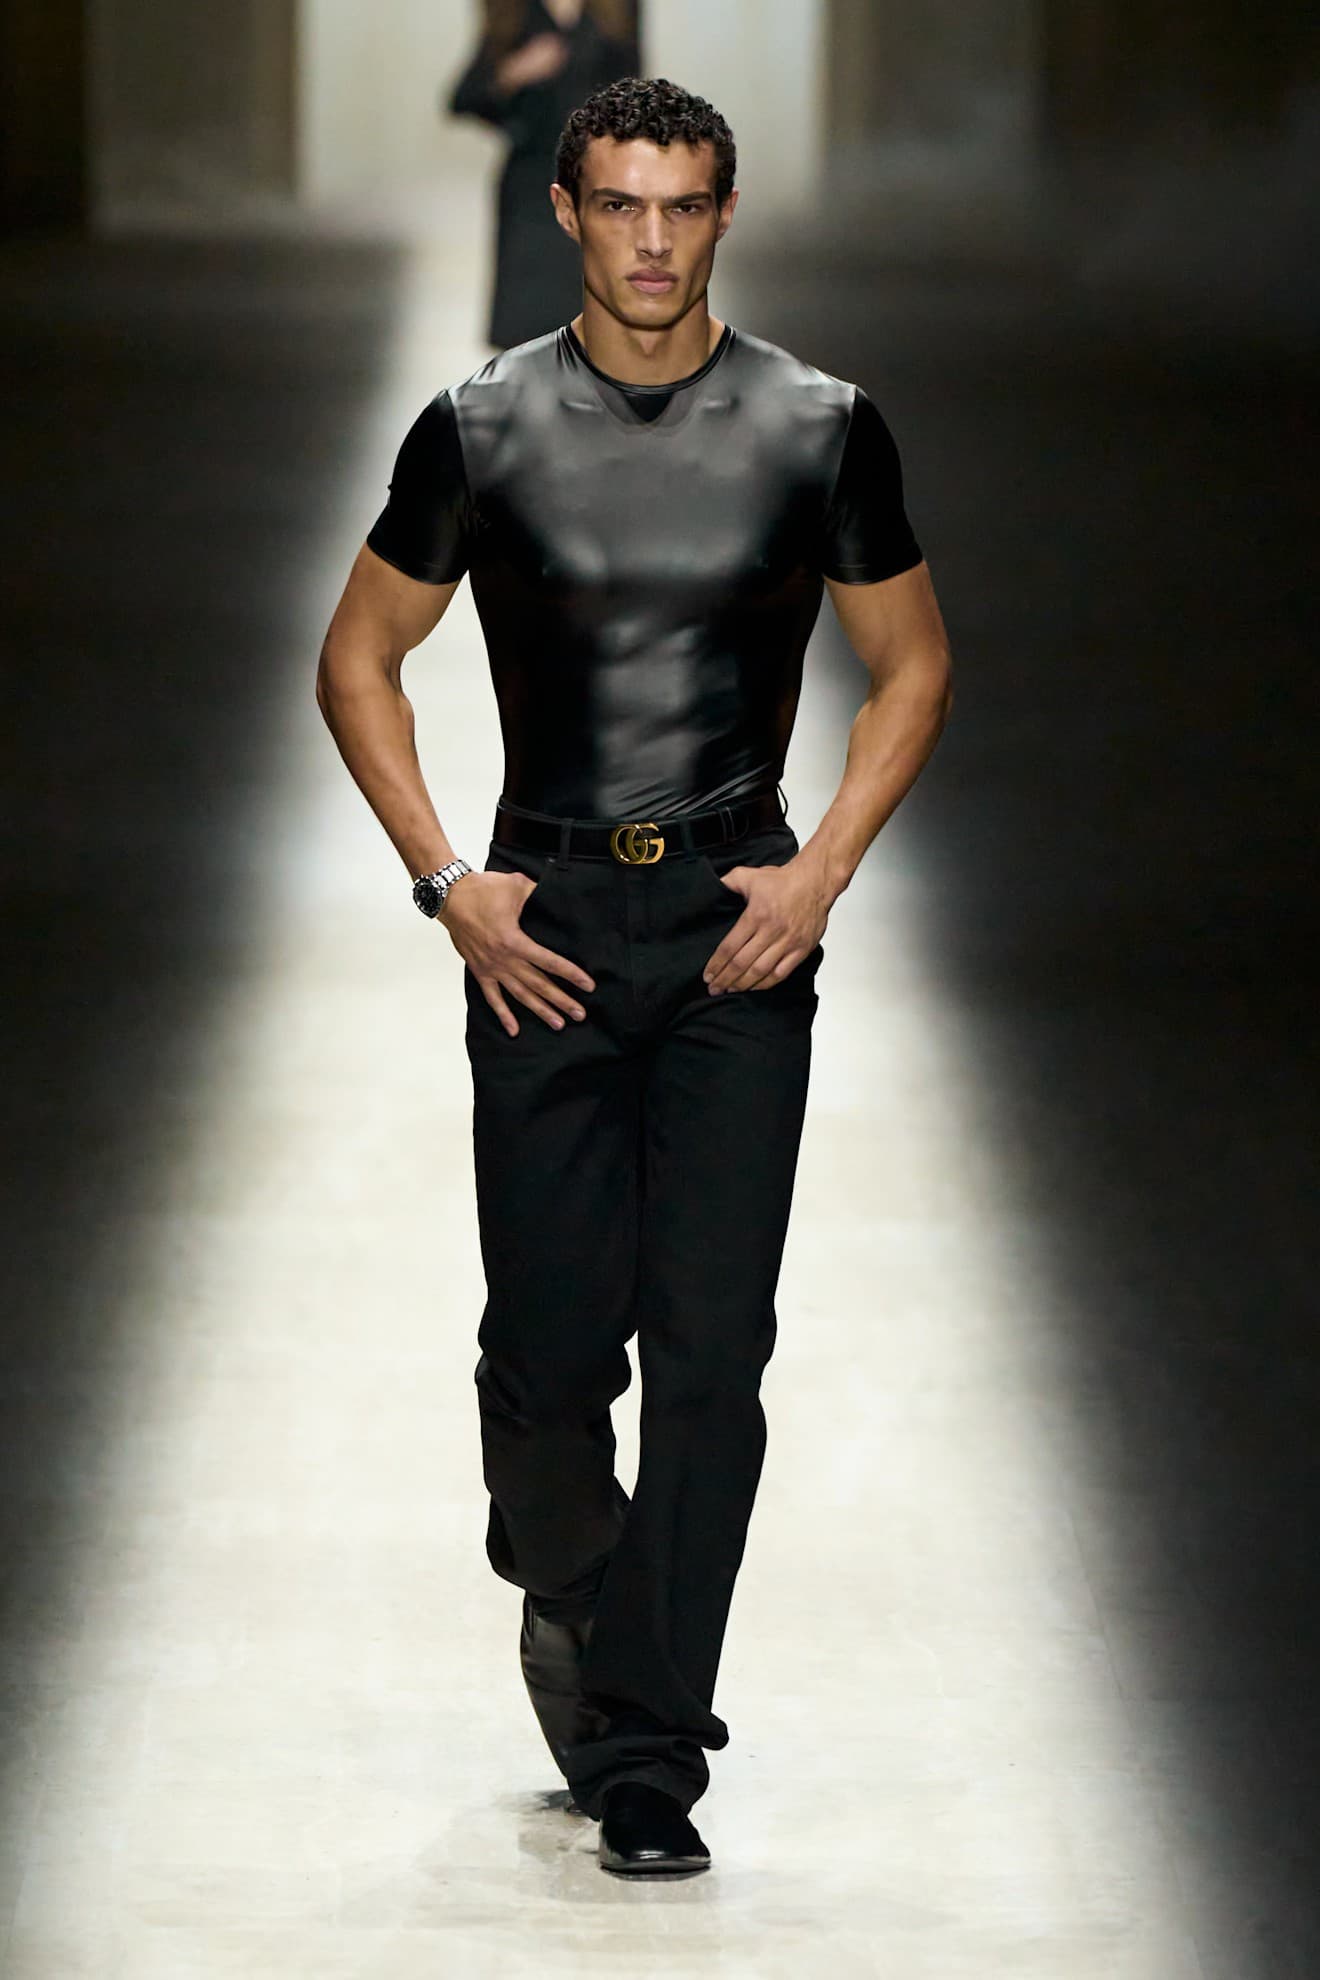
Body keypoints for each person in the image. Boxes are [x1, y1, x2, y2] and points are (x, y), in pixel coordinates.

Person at [317, 76, 952, 1877]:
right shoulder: (482, 426)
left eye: (683, 207)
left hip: (741, 926)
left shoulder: (822, 426)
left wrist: (820, 874)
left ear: (725, 213)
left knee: (713, 1353)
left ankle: (649, 1750)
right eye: (620, 205)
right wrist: (449, 884)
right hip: (547, 934)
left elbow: (911, 664)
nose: (653, 242)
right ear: (569, 213)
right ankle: (567, 1569)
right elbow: (358, 656)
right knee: (544, 1362)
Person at [448, 0, 640, 348]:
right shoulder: (510, 10)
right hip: (530, 185)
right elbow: (464, 98)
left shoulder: (617, 8)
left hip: (597, 185)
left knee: (597, 322)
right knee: (529, 326)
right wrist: (514, 73)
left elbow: (635, 92)